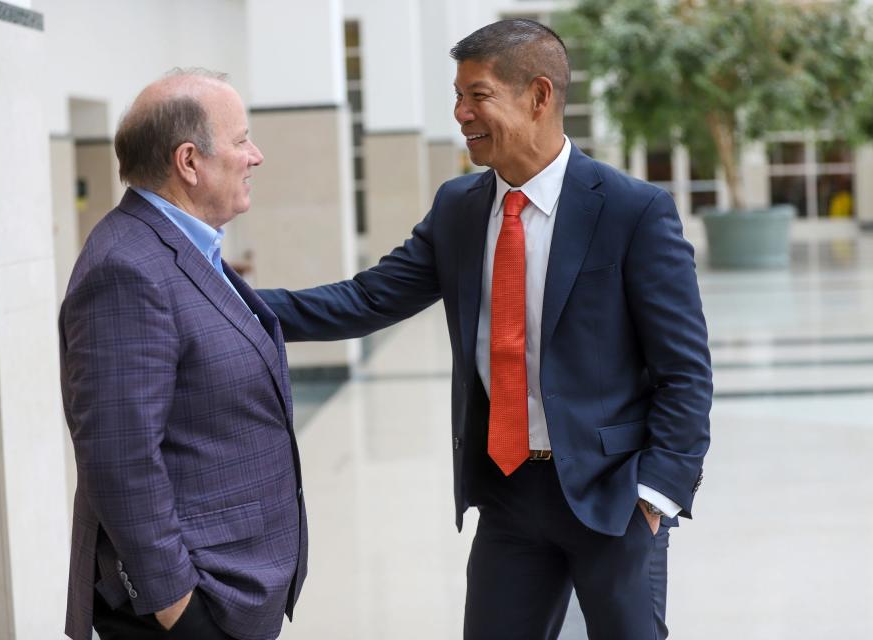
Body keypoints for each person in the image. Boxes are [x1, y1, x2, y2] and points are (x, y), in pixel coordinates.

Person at [260, 19, 712, 639]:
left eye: (478, 95)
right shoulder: (459, 208)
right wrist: (223, 302)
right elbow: (364, 300)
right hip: (509, 496)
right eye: (457, 96)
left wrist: (656, 496)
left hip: (613, 496)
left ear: (540, 95)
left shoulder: (634, 211)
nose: (460, 113)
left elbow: (684, 371)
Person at [60, 68, 306, 640]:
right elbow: (119, 460)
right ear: (189, 162)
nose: (256, 156)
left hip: (235, 587)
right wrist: (178, 608)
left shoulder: (184, 245)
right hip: (191, 608)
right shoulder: (125, 269)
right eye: (242, 140)